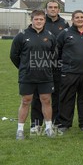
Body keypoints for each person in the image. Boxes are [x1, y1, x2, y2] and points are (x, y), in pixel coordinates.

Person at [10, 10, 57, 139]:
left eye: (41, 19)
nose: (39, 22)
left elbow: (54, 56)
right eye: (36, 19)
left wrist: (46, 68)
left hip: (45, 76)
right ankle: (20, 130)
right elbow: (14, 55)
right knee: (26, 101)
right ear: (31, 20)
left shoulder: (50, 36)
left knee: (46, 100)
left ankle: (48, 128)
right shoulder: (22, 36)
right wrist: (24, 67)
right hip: (27, 76)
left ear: (44, 21)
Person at [55, 10, 83, 132]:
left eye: (82, 17)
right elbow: (57, 51)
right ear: (72, 19)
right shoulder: (65, 33)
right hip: (69, 72)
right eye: (77, 17)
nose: (80, 19)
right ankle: (64, 124)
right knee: (67, 98)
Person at [30, 0, 68, 133]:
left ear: (59, 9)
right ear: (47, 10)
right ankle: (36, 123)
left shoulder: (64, 23)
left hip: (57, 65)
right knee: (37, 96)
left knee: (57, 95)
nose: (53, 9)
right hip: (40, 65)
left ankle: (55, 122)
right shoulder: (41, 21)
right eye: (50, 7)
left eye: (55, 7)